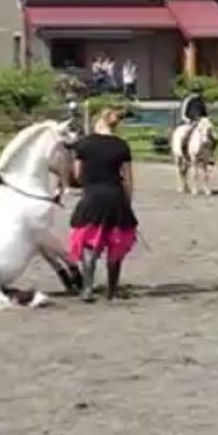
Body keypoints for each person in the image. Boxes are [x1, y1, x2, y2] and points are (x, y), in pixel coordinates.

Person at [68, 108, 139, 302]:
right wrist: (127, 202)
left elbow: (78, 175)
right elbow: (128, 180)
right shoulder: (122, 146)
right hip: (115, 196)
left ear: (99, 122)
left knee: (89, 243)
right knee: (115, 242)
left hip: (92, 196)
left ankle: (88, 288)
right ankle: (112, 290)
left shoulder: (84, 144)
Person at [178, 81, 209, 157]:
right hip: (189, 121)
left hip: (201, 122)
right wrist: (188, 120)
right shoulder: (187, 100)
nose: (197, 94)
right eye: (195, 92)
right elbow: (183, 114)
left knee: (212, 135)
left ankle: (210, 154)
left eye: (198, 92)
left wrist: (206, 120)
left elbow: (205, 113)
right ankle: (184, 150)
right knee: (186, 135)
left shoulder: (201, 101)